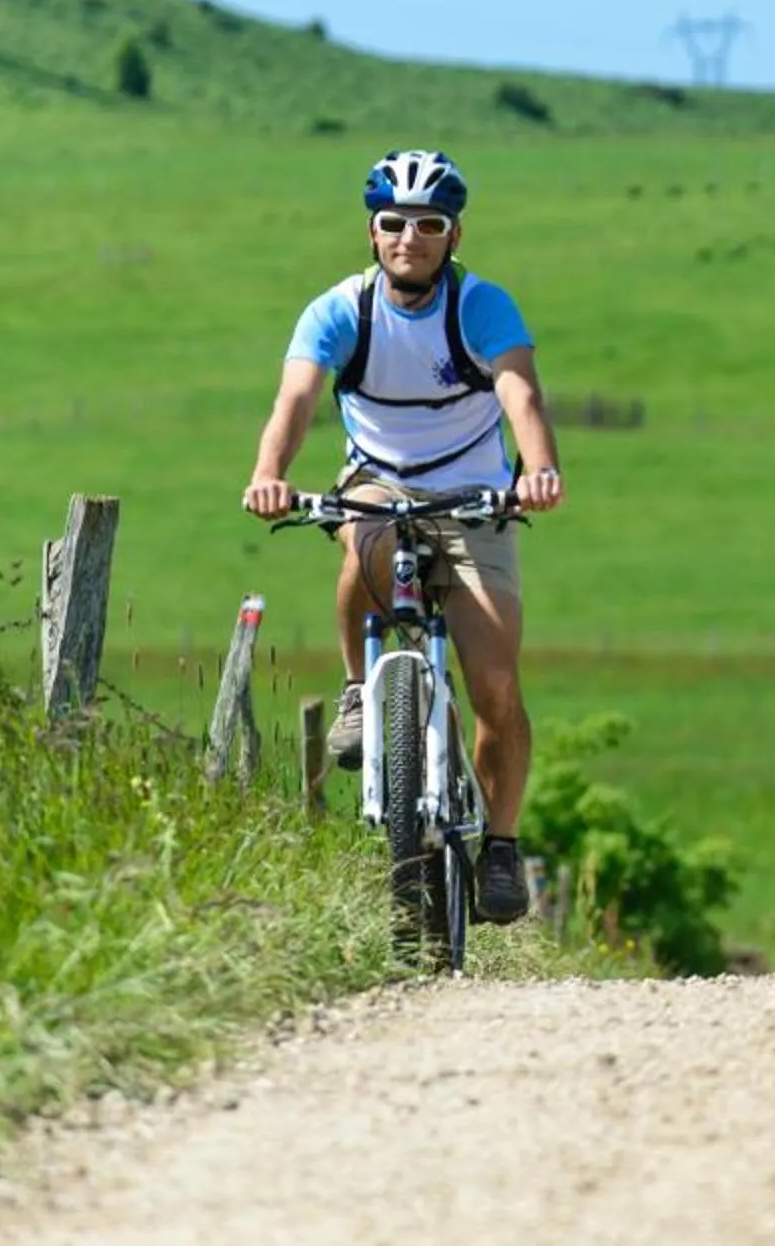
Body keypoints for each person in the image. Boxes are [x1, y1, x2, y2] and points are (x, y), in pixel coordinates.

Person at [241, 149, 565, 926]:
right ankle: (361, 687)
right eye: (394, 223)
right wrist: (268, 472)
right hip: (378, 477)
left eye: (429, 225)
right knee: (363, 535)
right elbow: (295, 400)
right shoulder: (339, 311)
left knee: (495, 686)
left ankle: (499, 845)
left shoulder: (481, 307)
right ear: (372, 231)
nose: (409, 238)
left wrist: (539, 468)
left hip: (472, 493)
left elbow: (519, 391)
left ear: (454, 235)